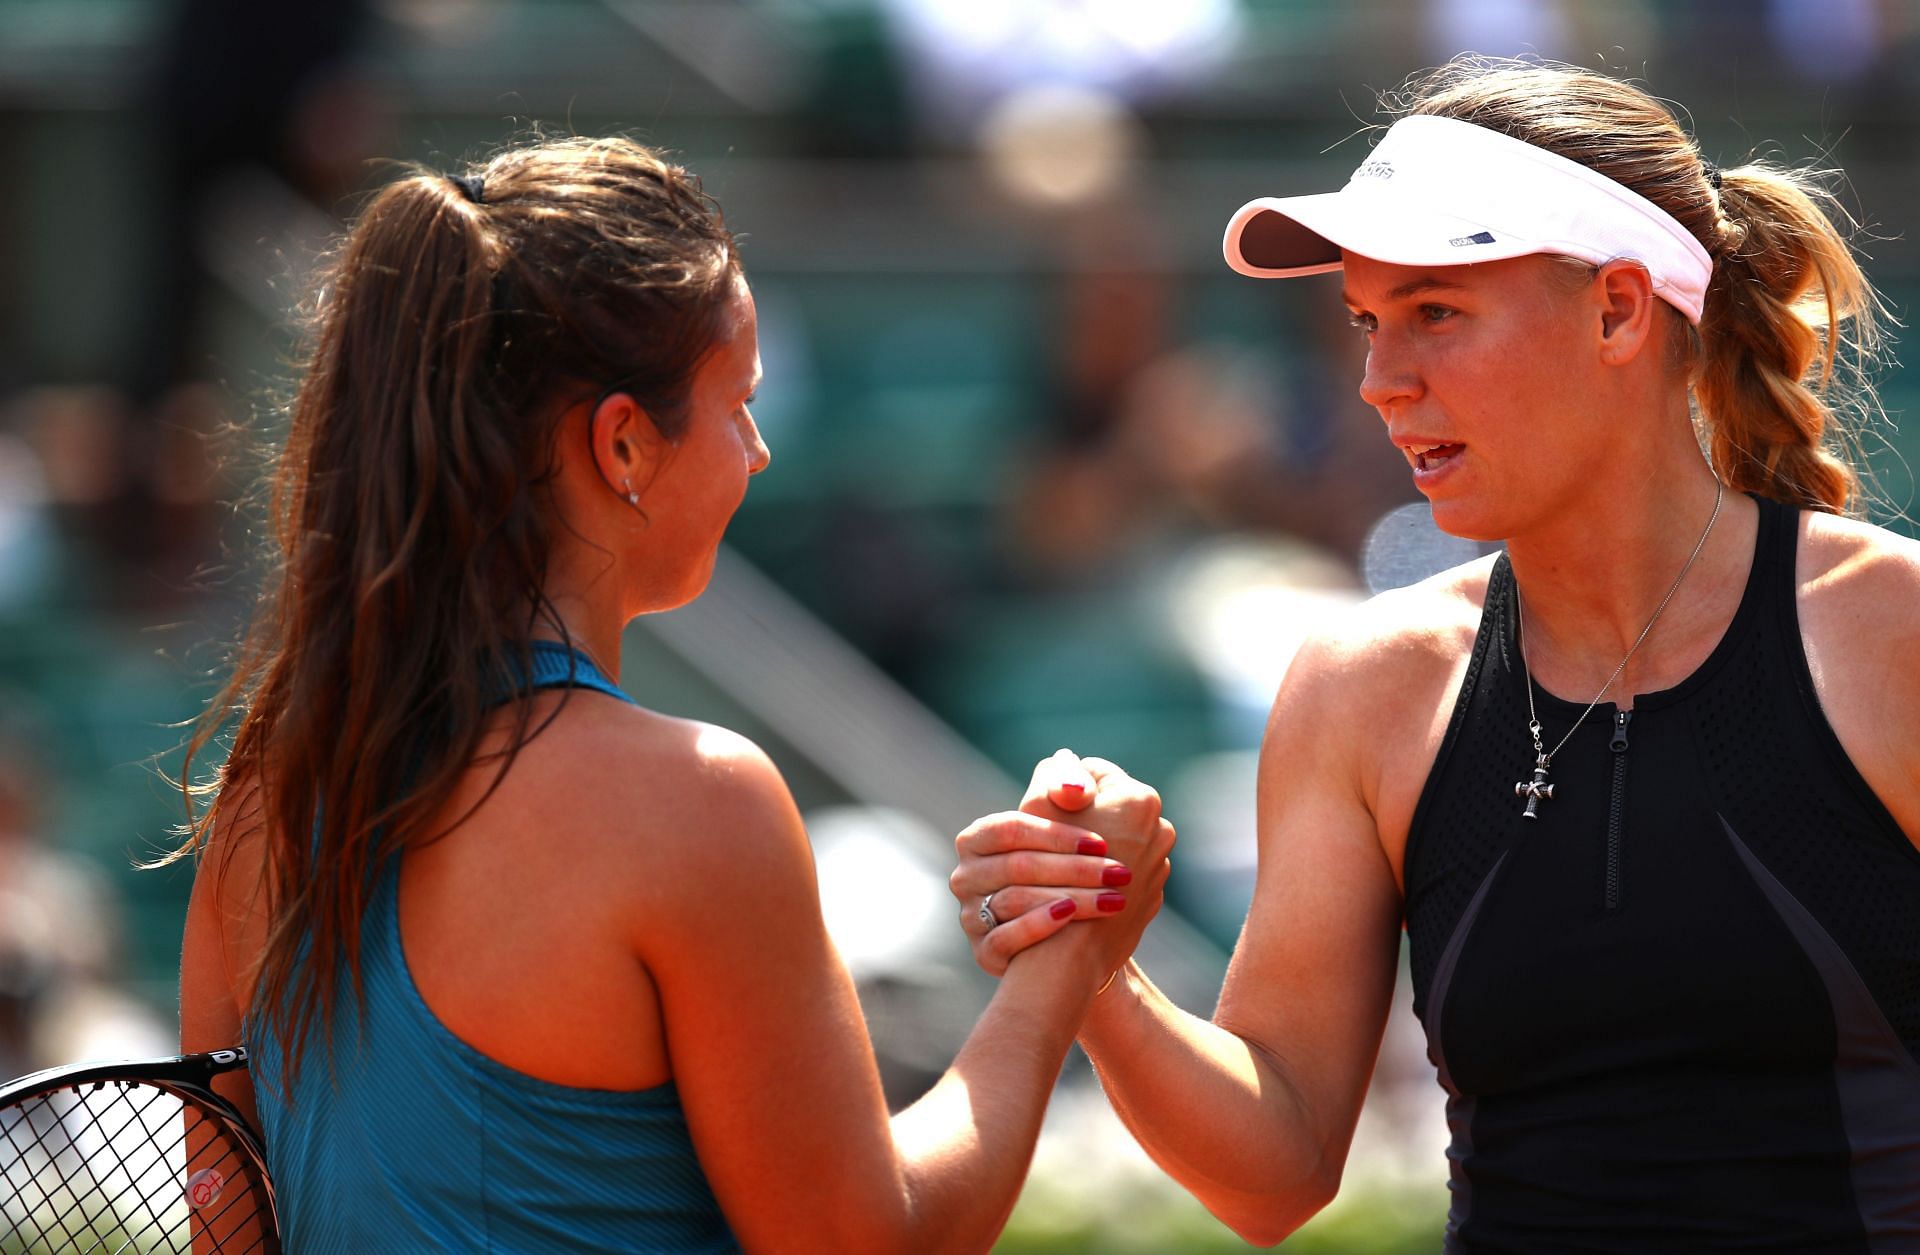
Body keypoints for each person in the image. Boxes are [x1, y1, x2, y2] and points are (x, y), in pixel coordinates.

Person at [952, 57, 1920, 1251]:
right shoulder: (1364, 684)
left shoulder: (1893, 631)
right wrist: (1102, 966)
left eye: (1435, 313)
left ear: (1619, 309)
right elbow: (1275, 1175)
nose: (1377, 382)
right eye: (1367, 322)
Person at [171, 135, 1173, 1253]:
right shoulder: (695, 803)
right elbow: (867, 1243)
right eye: (738, 403)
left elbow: (231, 1232)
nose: (759, 451)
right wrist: (1065, 952)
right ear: (624, 444)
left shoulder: (259, 802)